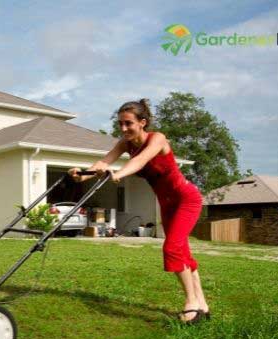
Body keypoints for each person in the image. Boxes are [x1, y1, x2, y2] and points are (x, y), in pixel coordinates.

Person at [68, 99, 209, 324]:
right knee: (182, 251)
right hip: (167, 203)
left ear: (142, 123)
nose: (123, 129)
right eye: (120, 124)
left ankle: (191, 304)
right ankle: (202, 304)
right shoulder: (125, 144)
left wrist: (120, 174)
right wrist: (82, 173)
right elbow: (103, 162)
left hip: (186, 199)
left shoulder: (158, 139)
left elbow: (142, 161)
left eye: (128, 124)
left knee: (172, 247)